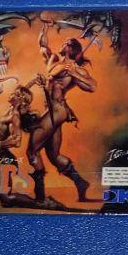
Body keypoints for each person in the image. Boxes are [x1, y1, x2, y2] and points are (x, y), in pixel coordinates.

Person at [24, 23, 95, 202]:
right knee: (54, 156)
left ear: (72, 49)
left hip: (58, 109)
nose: (63, 43)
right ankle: (80, 183)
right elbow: (42, 46)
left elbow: (92, 86)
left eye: (67, 42)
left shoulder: (75, 68)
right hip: (51, 109)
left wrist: (75, 74)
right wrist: (45, 28)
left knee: (32, 150)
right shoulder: (54, 59)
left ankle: (40, 196)